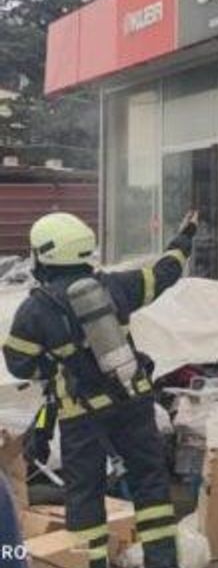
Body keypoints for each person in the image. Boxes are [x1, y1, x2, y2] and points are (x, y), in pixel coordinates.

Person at [4, 211, 198, 568]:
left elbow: (18, 363)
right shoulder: (117, 286)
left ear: (44, 254)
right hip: (132, 400)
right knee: (151, 486)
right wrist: (184, 238)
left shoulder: (36, 308)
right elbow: (164, 273)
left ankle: (91, 563)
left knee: (86, 497)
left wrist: (53, 365)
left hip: (82, 415)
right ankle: (162, 561)